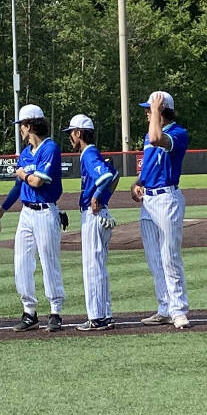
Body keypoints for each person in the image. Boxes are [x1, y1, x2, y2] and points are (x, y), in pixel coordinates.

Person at [0, 104, 65, 331]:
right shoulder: (26, 153)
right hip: (26, 212)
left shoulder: (50, 148)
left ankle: (55, 311)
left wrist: (24, 174)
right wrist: (2, 209)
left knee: (49, 260)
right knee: (22, 262)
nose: (20, 130)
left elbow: (37, 181)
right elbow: (20, 186)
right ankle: (29, 312)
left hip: (46, 210)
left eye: (21, 126)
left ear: (30, 125)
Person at [131, 90, 190, 328]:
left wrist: (156, 111)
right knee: (154, 258)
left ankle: (178, 310)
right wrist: (138, 184)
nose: (147, 112)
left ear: (162, 110)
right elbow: (148, 166)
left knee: (169, 256)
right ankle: (164, 307)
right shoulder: (150, 133)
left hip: (167, 198)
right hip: (149, 200)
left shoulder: (178, 132)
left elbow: (157, 139)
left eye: (150, 108)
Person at [69, 114, 118, 331]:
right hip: (99, 215)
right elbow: (114, 174)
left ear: (79, 133)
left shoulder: (88, 154)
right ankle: (105, 315)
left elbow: (107, 175)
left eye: (71, 132)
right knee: (98, 265)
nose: (70, 137)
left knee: (92, 266)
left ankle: (96, 317)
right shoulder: (91, 154)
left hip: (93, 215)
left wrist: (98, 195)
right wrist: (103, 197)